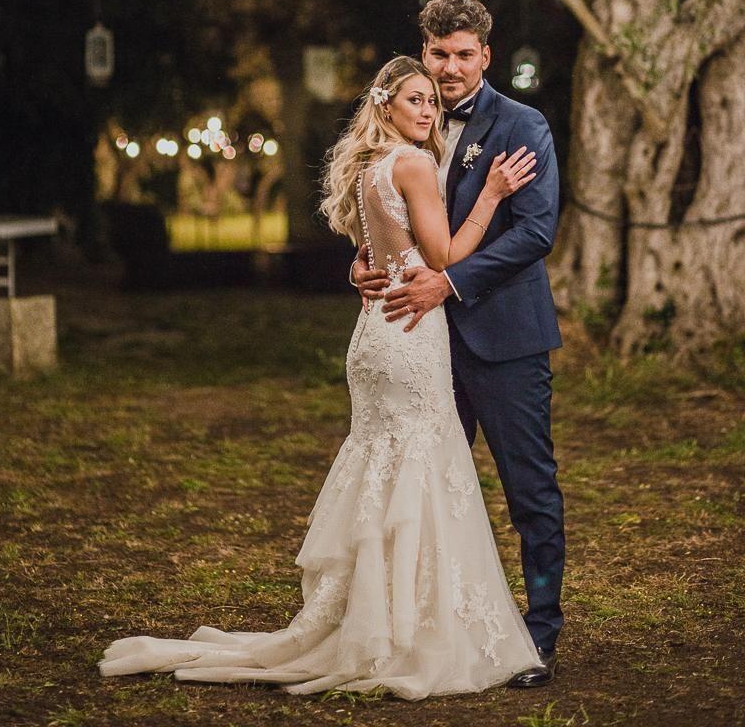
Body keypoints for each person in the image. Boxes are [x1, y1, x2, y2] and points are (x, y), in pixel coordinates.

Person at [98, 53, 543, 698]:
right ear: (386, 105)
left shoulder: (369, 167)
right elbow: (445, 254)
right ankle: (411, 627)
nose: (428, 110)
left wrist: (369, 268)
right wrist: (494, 195)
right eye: (415, 99)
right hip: (412, 329)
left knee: (384, 467)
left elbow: (373, 253)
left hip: (374, 331)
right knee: (420, 465)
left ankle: (376, 618)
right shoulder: (414, 164)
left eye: (431, 100)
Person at [353, 0, 565, 688]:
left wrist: (449, 283)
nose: (449, 68)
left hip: (505, 338)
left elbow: (536, 231)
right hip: (423, 345)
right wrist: (365, 261)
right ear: (424, 51)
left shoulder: (522, 125)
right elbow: (393, 218)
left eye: (463, 55)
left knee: (528, 489)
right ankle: (424, 628)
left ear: (486, 56)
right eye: (438, 53)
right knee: (424, 491)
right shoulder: (409, 121)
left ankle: (539, 633)